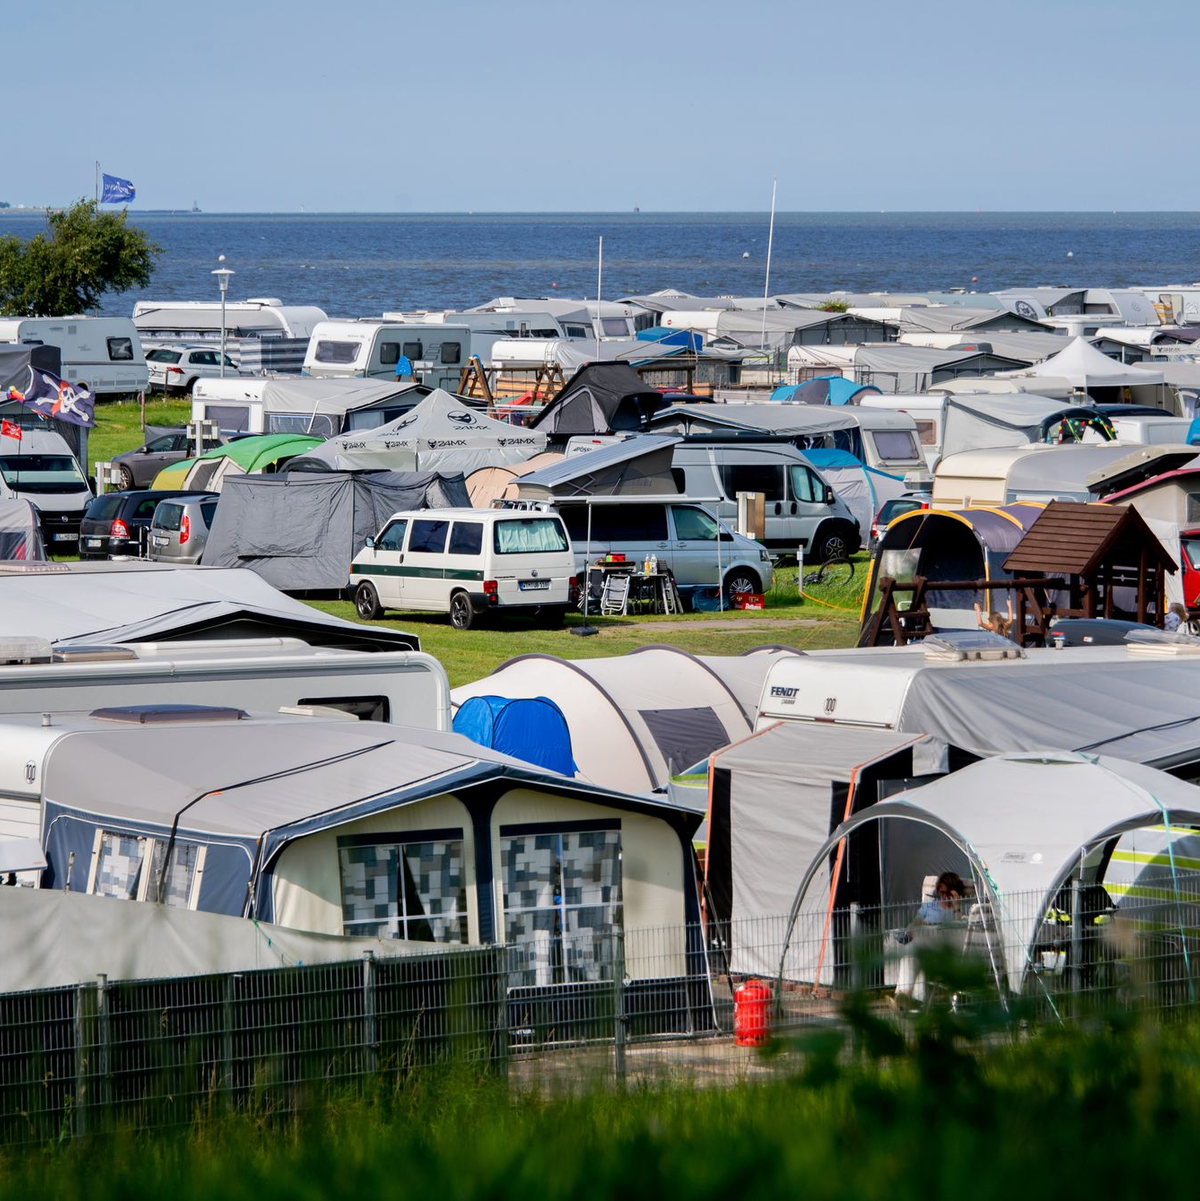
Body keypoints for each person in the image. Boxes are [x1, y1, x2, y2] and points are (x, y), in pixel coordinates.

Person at [893, 871, 968, 1005]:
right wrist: (915, 926)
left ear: (954, 892)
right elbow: (914, 922)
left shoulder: (962, 909)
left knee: (912, 950)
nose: (942, 896)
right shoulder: (929, 906)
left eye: (946, 892)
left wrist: (957, 906)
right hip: (926, 947)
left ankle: (906, 998)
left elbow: (960, 931)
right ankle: (905, 997)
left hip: (947, 952)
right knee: (912, 954)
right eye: (940, 892)